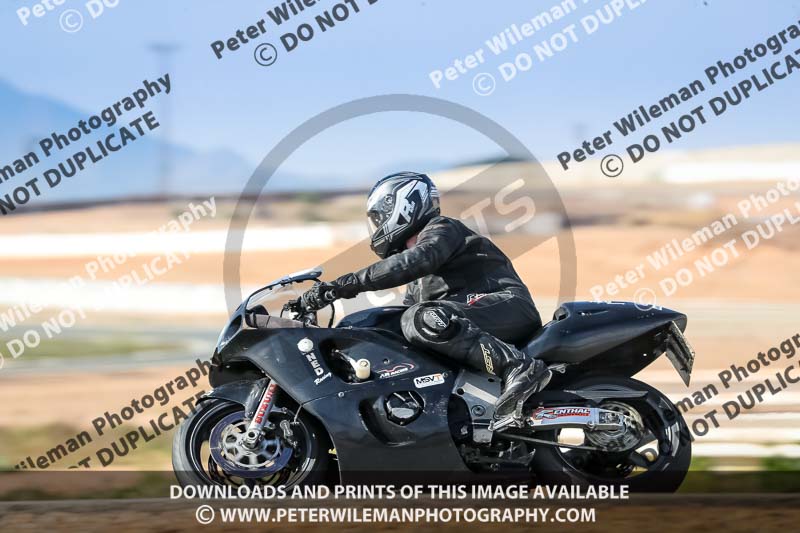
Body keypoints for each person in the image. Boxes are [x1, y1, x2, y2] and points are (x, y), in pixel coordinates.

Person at [300, 171, 550, 419]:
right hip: (468, 316)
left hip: (506, 305)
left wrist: (342, 286)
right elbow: (400, 316)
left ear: (403, 205)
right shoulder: (417, 277)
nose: (376, 225)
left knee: (421, 318)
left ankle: (519, 367)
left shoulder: (443, 229)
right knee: (377, 324)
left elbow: (419, 259)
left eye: (377, 217)